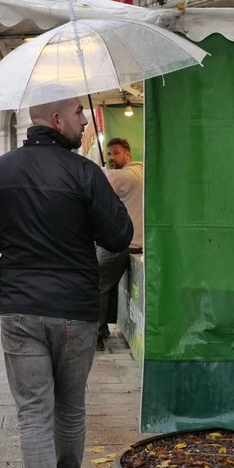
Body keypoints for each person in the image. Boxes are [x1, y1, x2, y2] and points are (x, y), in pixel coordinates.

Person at [0, 97, 132, 468]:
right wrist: (109, 201)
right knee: (70, 406)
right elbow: (118, 237)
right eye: (79, 114)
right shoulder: (85, 173)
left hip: (21, 308)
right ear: (58, 120)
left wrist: (0, 297)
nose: (84, 122)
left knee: (34, 412)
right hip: (76, 311)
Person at [97, 138, 144, 350]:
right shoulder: (142, 171)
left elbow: (104, 177)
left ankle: (95, 335)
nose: (111, 158)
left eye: (116, 153)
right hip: (132, 242)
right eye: (108, 154)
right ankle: (102, 327)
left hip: (121, 244)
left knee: (95, 284)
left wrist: (102, 170)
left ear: (128, 155)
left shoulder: (129, 174)